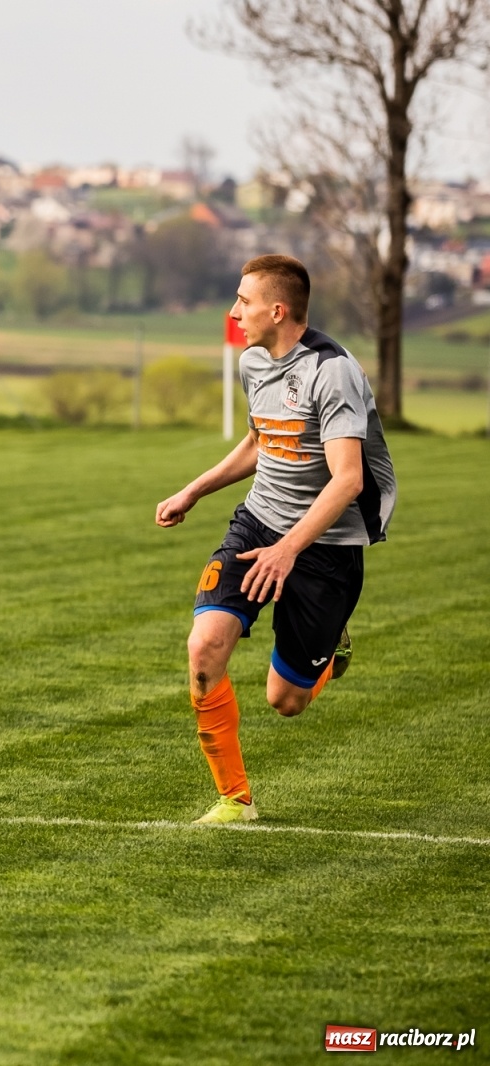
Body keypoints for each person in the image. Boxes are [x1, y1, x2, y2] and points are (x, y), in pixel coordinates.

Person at [155, 254, 396, 825]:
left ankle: (331, 646)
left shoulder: (331, 372)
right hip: (258, 522)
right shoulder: (255, 362)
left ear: (277, 309)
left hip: (325, 548)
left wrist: (290, 550)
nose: (234, 311)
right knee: (204, 646)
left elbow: (349, 479)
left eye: (243, 300)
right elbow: (261, 441)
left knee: (285, 702)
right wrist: (195, 490)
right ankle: (235, 801)